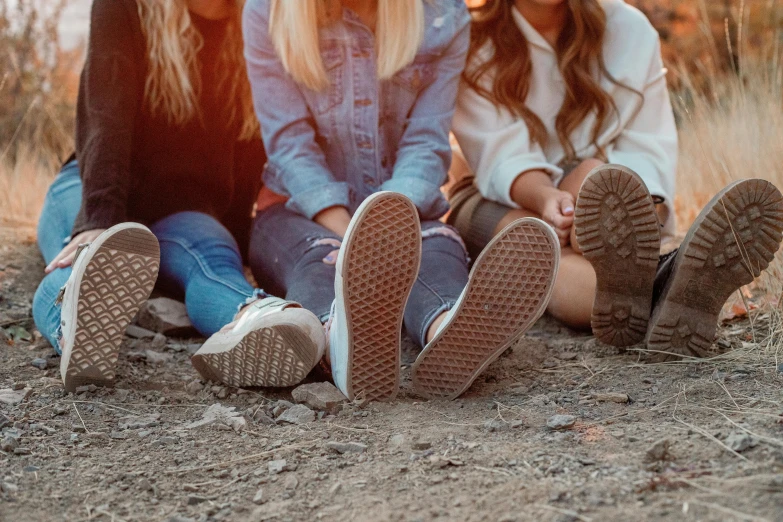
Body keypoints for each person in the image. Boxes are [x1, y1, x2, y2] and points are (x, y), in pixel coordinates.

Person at [243, 0, 560, 401]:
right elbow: (290, 145)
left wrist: (392, 221)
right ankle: (338, 340)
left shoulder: (442, 14)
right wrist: (361, 236)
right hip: (297, 211)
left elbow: (427, 141)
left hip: (404, 205)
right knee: (319, 259)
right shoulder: (266, 11)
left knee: (437, 251)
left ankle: (448, 329)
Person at [449, 0, 783, 355]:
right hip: (492, 194)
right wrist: (547, 200)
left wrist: (587, 209)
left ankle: (645, 285)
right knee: (536, 243)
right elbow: (499, 156)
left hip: (596, 180)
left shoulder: (630, 30)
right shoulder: (472, 39)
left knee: (600, 183)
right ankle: (670, 284)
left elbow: (646, 149)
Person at [32, 0, 325, 393]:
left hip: (184, 210)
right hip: (93, 183)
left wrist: (238, 241)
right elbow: (106, 113)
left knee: (217, 264)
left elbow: (250, 146)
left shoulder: (258, 20)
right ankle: (73, 327)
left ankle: (258, 318)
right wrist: (98, 220)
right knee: (78, 256)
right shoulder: (127, 7)